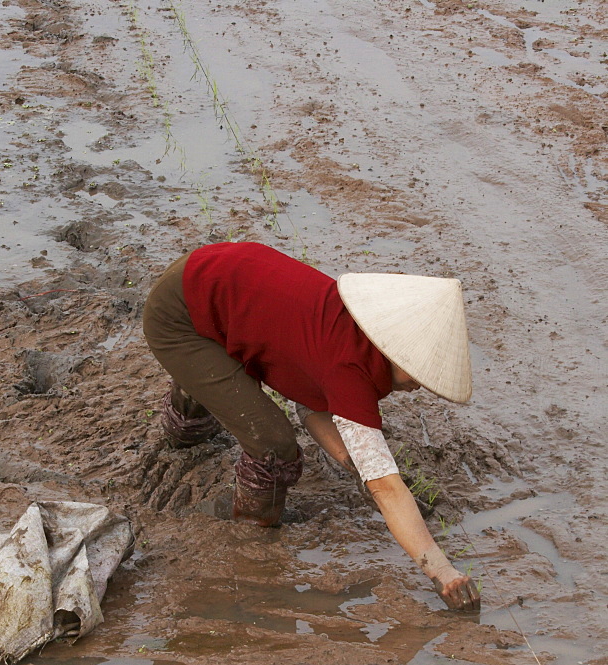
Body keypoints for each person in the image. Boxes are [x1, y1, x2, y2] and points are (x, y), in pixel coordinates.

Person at [143, 241, 480, 612]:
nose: (419, 384)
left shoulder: (354, 327)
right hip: (180, 315)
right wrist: (443, 572)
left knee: (228, 385)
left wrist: (360, 467)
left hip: (217, 282)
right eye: (418, 372)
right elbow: (385, 489)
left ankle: (199, 391)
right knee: (274, 446)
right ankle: (250, 531)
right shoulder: (349, 369)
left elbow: (311, 404)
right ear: (392, 348)